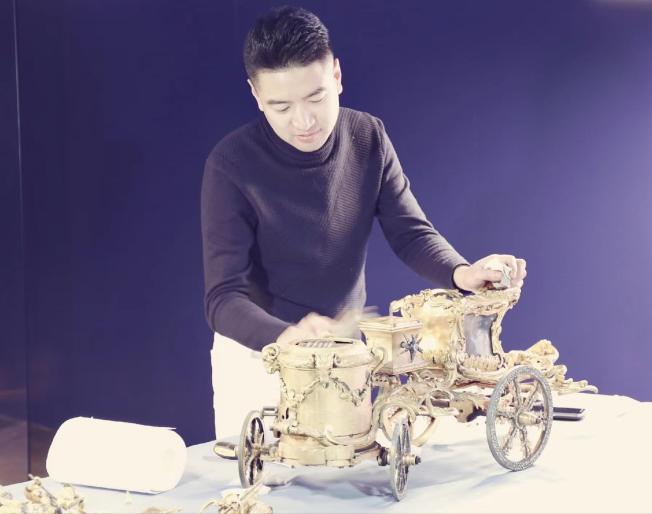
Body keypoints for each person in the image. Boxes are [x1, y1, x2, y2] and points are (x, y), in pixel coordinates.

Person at [201, 6, 526, 439]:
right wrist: (287, 335)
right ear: (256, 96)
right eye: (281, 107)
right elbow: (223, 298)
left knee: (349, 468)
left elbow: (410, 233)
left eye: (316, 97)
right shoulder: (231, 164)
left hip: (345, 352)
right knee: (259, 478)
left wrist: (461, 272)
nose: (304, 121)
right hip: (262, 355)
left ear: (336, 76)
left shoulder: (368, 137)